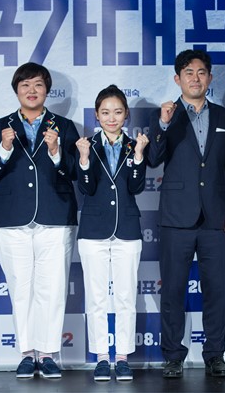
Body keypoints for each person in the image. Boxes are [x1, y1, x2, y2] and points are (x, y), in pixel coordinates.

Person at [147, 49, 225, 378]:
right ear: (177, 79)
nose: (195, 78)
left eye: (201, 72)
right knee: (173, 290)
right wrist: (163, 124)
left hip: (216, 217)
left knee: (215, 290)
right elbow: (153, 159)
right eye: (188, 72)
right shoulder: (165, 115)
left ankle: (215, 354)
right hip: (177, 218)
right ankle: (173, 356)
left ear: (210, 78)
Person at [0, 62, 79, 379]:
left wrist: (56, 151)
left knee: (53, 288)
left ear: (47, 90)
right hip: (11, 219)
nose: (31, 90)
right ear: (16, 91)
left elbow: (76, 171)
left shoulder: (64, 126)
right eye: (25, 85)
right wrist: (4, 148)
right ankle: (27, 352)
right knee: (20, 289)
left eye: (38, 84)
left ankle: (47, 353)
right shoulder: (0, 127)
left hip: (56, 215)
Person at [75, 84, 149, 381]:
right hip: (93, 230)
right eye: (105, 112)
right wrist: (83, 160)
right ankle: (102, 357)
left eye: (117, 112)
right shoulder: (86, 145)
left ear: (126, 114)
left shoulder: (134, 145)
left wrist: (140, 155)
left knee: (125, 297)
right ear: (96, 115)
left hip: (127, 230)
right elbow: (86, 188)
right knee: (96, 297)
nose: (111, 118)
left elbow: (136, 187)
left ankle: (122, 357)